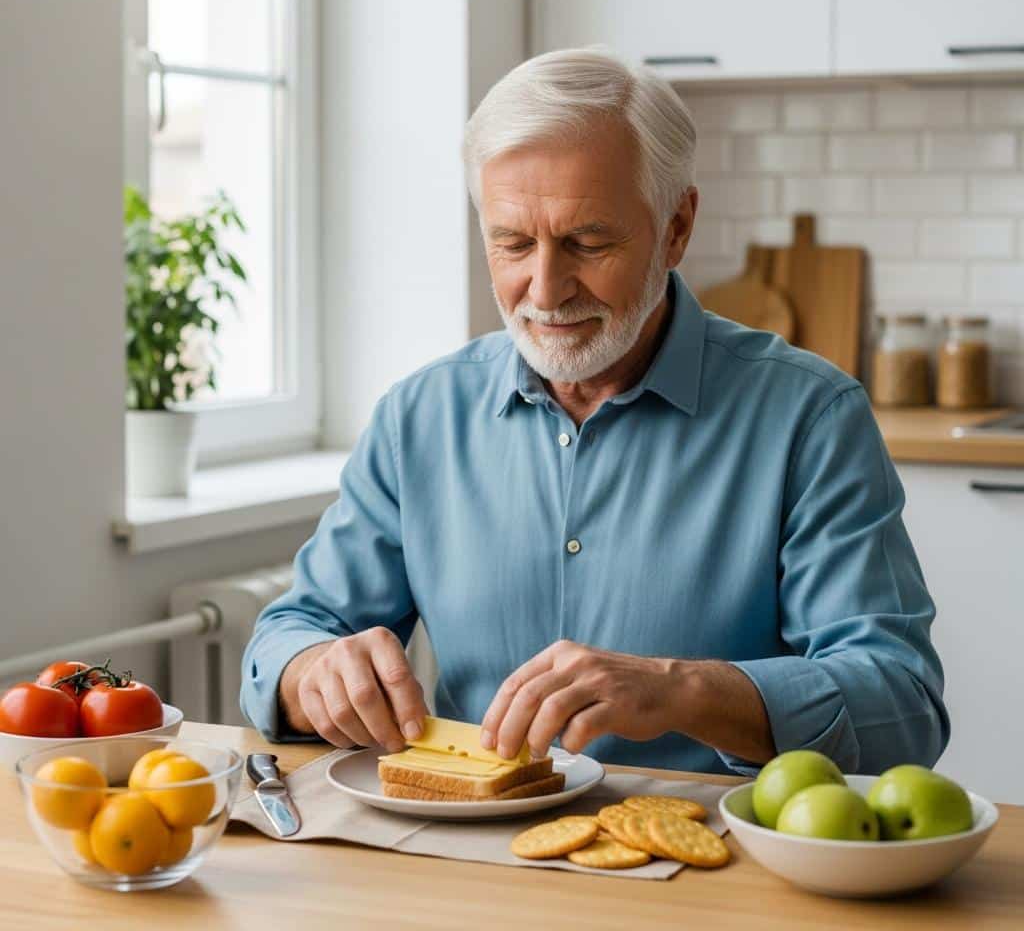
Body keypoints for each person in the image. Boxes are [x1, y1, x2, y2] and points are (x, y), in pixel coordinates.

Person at [240, 47, 948, 776]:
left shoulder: (810, 418)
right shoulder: (419, 417)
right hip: (467, 860)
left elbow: (901, 706)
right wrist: (314, 671)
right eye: (512, 242)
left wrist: (684, 691)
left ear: (676, 228)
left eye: (587, 242)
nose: (544, 290)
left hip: (717, 865)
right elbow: (288, 638)